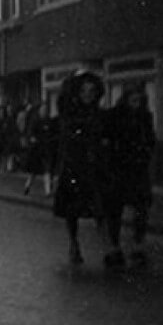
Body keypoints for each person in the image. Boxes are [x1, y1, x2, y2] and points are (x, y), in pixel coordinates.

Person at [53, 71, 110, 265]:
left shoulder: (99, 114)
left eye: (92, 91)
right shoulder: (70, 113)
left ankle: (107, 246)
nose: (88, 94)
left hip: (95, 167)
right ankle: (74, 243)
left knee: (100, 208)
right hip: (74, 167)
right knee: (72, 211)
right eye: (84, 90)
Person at [103, 86, 155, 268]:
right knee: (115, 210)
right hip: (119, 170)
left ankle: (137, 245)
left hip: (138, 169)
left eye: (139, 101)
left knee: (141, 208)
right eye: (133, 100)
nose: (136, 104)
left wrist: (145, 153)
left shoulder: (145, 118)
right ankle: (114, 247)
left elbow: (150, 139)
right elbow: (107, 141)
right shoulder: (115, 117)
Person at [22, 104, 57, 196]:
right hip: (37, 150)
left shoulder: (49, 121)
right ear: (39, 111)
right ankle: (27, 186)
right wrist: (32, 138)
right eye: (42, 110)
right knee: (33, 172)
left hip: (46, 149)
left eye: (45, 110)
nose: (44, 112)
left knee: (47, 170)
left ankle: (48, 191)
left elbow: (53, 133)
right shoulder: (35, 121)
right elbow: (30, 133)